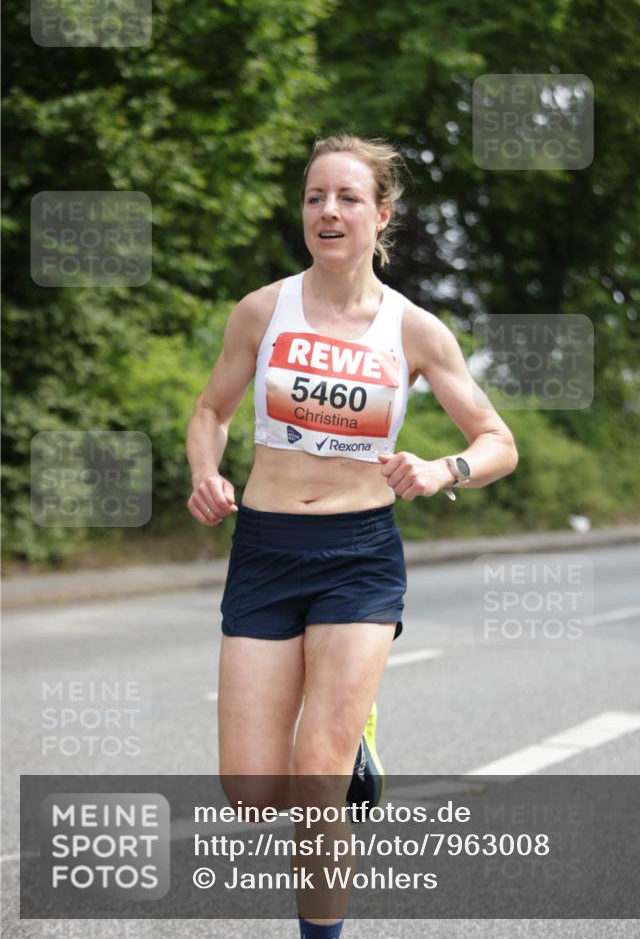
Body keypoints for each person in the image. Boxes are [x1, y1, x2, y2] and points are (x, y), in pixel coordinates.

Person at [185, 133, 518, 938]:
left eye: (347, 198)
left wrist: (443, 469)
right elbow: (210, 411)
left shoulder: (415, 330)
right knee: (252, 793)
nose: (327, 212)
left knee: (317, 775)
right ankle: (355, 745)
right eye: (314, 197)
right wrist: (205, 471)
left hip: (359, 558)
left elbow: (496, 441)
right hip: (265, 551)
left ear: (381, 214)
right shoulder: (262, 310)